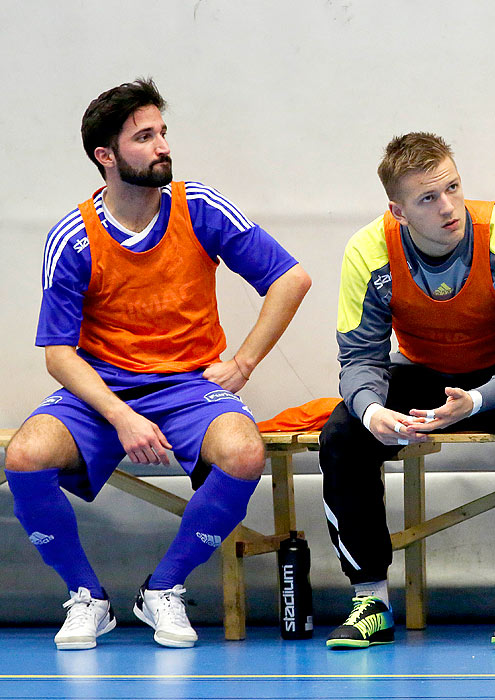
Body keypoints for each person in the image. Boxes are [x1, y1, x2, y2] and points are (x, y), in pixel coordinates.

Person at [4, 78, 311, 650]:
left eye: (163, 133)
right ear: (107, 156)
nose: (162, 146)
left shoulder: (199, 207)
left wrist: (241, 365)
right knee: (23, 457)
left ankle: (163, 590)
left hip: (189, 384)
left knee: (245, 452)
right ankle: (87, 598)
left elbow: (292, 279)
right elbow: (58, 355)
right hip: (100, 389)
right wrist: (121, 416)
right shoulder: (73, 237)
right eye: (144, 137)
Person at [319, 132, 495, 649]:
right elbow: (360, 360)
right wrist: (371, 412)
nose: (449, 207)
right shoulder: (368, 251)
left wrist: (476, 401)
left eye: (453, 187)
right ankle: (370, 600)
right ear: (398, 211)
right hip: (429, 371)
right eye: (428, 198)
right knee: (342, 434)